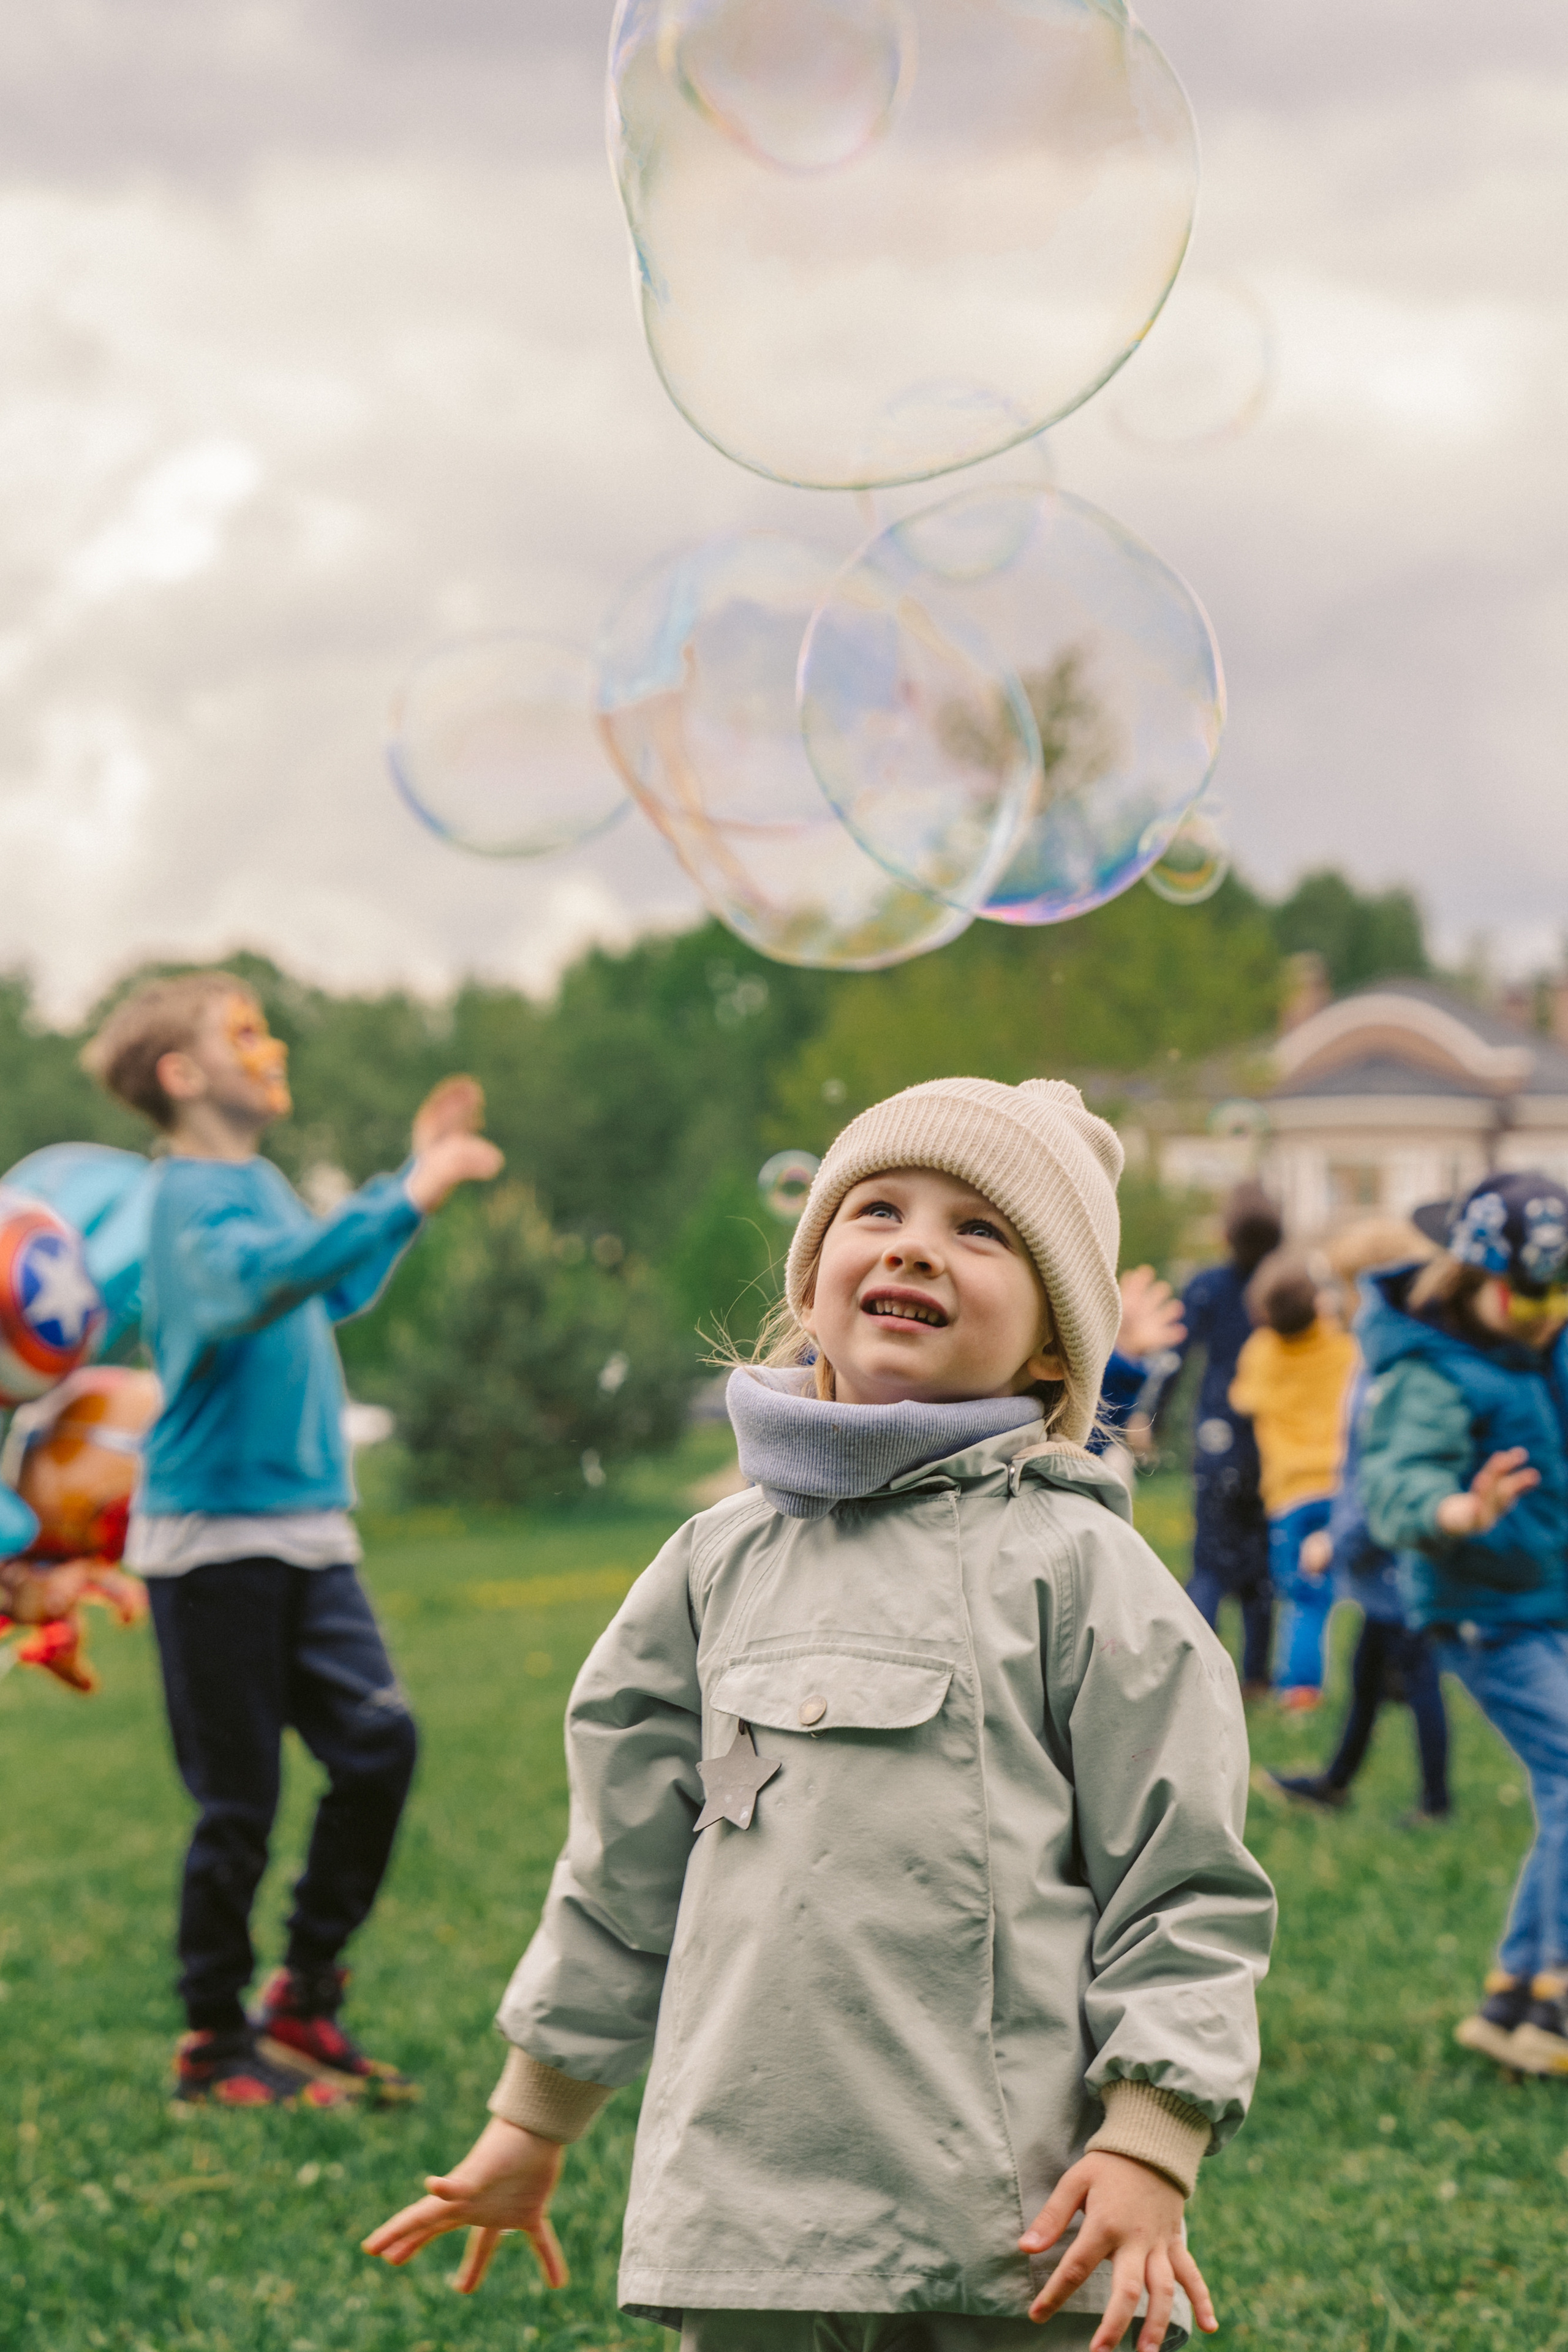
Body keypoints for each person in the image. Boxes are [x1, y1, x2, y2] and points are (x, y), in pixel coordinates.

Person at [366, 1077, 1276, 2352]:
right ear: (810, 1284)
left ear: (1053, 1346)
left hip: (1020, 2221)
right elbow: (619, 1870)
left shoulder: (1077, 1567)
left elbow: (1182, 1884)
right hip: (750, 2229)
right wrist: (532, 2119)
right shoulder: (708, 1562)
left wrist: (1150, 2141)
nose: (913, 1242)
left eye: (981, 1230)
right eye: (878, 1208)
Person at [82, 970, 502, 2107]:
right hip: (213, 1540)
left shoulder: (260, 1183)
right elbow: (255, 1287)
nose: (271, 1049)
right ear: (183, 1075)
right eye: (246, 1034)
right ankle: (212, 2041)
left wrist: (406, 1194)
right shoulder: (181, 1200)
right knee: (241, 1805)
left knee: (380, 1748)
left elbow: (334, 1281)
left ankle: (304, 1996)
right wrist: (404, 1187)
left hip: (312, 1530)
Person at [1356, 1172, 1568, 2075]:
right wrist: (1460, 1512)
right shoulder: (1430, 1369)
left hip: (1543, 1600)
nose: (1547, 1312)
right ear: (1474, 1277)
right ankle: (1554, 1997)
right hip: (1483, 1615)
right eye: (1530, 1295)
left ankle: (1512, 1999)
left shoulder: (1536, 1344)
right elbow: (1392, 1484)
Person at [1262, 1219, 1449, 1823]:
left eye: (1338, 1288)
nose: (1328, 1302)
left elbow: (1381, 1476)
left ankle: (1434, 1804)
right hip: (1385, 1559)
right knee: (1370, 1669)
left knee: (1417, 1675)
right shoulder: (1376, 1357)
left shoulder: (1395, 1366)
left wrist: (1335, 1539)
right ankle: (1337, 1781)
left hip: (1403, 1555)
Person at [1157, 1183, 1282, 1697]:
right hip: (1273, 1438)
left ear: (1226, 1234)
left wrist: (1154, 1419)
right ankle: (1256, 1677)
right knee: (1261, 1566)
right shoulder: (1285, 1289)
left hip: (1217, 1436)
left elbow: (1175, 1358)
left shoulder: (1207, 1286)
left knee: (1209, 1559)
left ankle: (1201, 1670)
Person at [1229, 1249, 1358, 1709]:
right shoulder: (1340, 1344)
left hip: (1289, 1494)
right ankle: (1389, 1680)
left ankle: (1300, 1689)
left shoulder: (1261, 1352)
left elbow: (1242, 1399)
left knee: (1303, 1596)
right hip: (1340, 1486)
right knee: (1361, 1587)